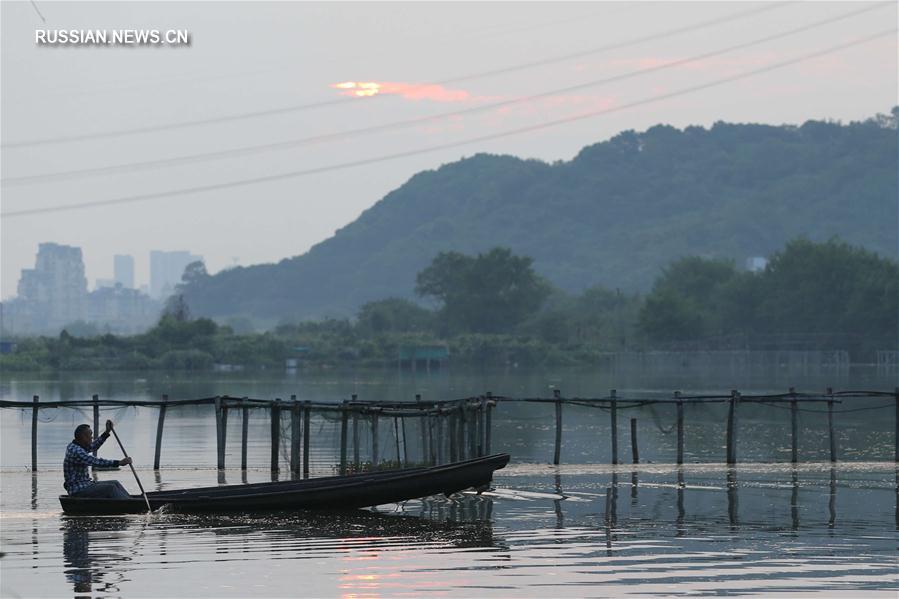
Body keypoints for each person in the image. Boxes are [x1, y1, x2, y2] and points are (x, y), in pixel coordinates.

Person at [63, 420, 132, 498]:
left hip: (86, 484)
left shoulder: (77, 445)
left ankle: (129, 500)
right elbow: (96, 462)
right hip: (78, 490)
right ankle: (129, 504)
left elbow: (93, 446)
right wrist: (119, 463)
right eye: (90, 434)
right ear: (83, 437)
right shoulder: (76, 451)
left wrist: (107, 432)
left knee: (115, 483)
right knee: (110, 488)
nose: (92, 437)